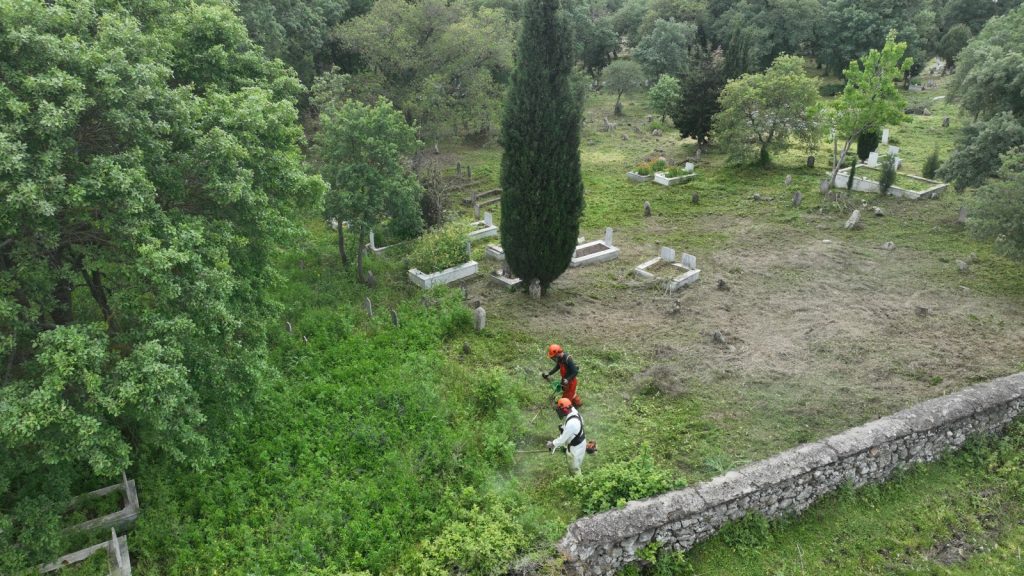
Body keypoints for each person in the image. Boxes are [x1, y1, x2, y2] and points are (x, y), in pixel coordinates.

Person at [545, 398, 587, 475]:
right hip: (577, 441)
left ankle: (579, 484)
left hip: (576, 448)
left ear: (564, 410)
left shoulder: (572, 423)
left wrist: (552, 444)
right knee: (573, 467)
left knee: (574, 469)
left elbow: (562, 440)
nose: (559, 412)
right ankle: (574, 481)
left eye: (559, 410)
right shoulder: (573, 410)